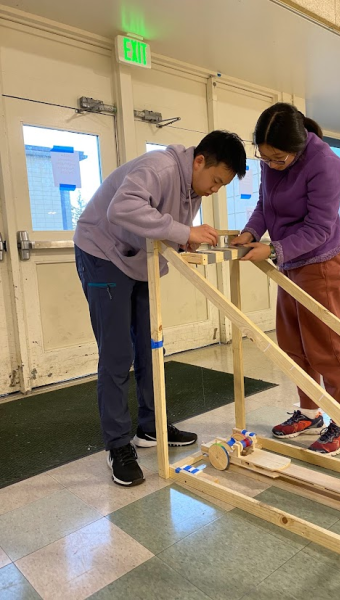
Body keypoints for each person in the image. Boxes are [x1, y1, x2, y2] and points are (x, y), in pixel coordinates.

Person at [74, 131, 247, 486]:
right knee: (118, 353)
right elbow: (121, 208)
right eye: (215, 180)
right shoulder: (160, 167)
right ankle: (118, 444)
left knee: (152, 345)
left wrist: (185, 241)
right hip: (103, 253)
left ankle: (152, 427)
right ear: (199, 160)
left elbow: (167, 229)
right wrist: (184, 231)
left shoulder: (192, 188)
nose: (215, 189)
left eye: (222, 185)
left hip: (140, 260)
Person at [231, 103, 340, 456]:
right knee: (293, 343)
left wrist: (272, 250)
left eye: (278, 159)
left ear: (298, 148)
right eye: (264, 157)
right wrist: (251, 231)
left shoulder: (327, 165)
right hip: (288, 262)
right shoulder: (271, 161)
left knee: (326, 346)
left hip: (319, 263)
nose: (270, 164)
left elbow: (319, 228)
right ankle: (310, 412)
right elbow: (264, 204)